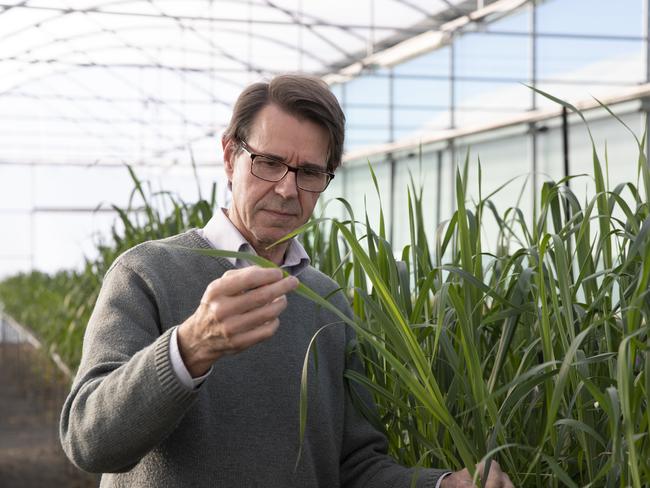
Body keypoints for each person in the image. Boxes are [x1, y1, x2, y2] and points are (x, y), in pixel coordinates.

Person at [60, 74, 514, 488]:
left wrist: (443, 486)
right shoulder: (148, 273)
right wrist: (189, 348)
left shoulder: (326, 301)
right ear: (229, 156)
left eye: (309, 173)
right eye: (269, 162)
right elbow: (88, 441)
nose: (286, 189)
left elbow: (353, 467)